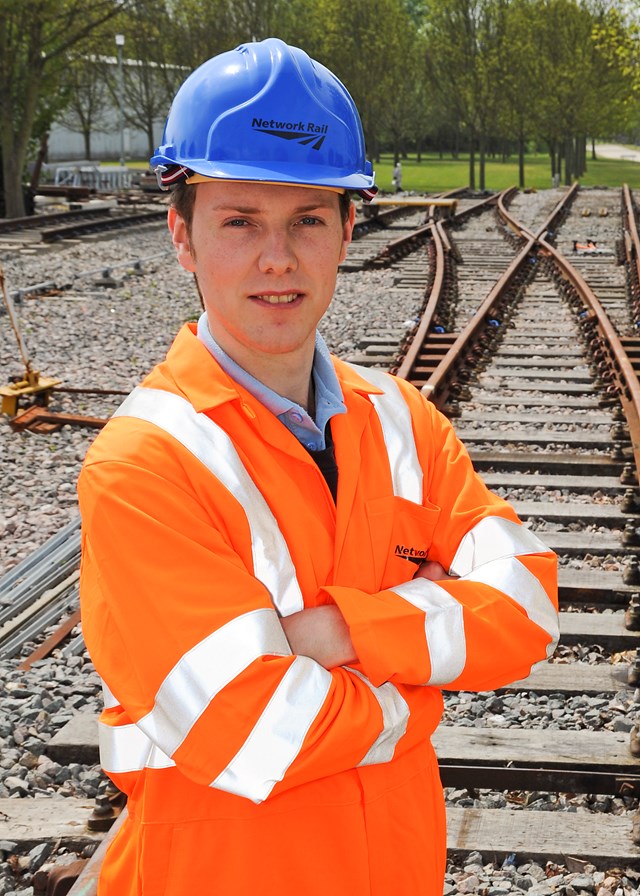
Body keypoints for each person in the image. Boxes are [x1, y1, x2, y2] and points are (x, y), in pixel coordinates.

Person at [78, 37, 559, 896]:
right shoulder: (143, 464)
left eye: (306, 219)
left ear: (345, 231)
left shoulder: (400, 420)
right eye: (240, 222)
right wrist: (420, 695)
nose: (277, 258)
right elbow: (256, 726)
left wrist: (341, 632)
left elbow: (526, 603)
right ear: (182, 237)